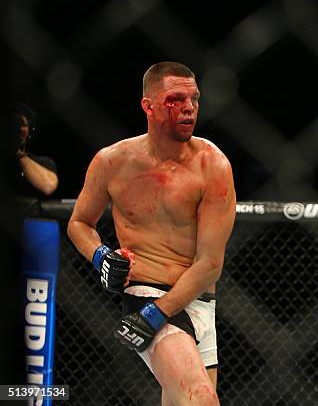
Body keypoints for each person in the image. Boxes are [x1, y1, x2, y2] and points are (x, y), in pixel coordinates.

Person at [68, 62, 236, 406]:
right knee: (201, 399)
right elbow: (79, 223)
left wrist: (157, 315)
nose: (189, 107)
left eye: (194, 98)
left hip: (199, 302)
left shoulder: (212, 165)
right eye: (175, 99)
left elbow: (209, 263)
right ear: (148, 106)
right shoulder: (112, 162)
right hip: (148, 292)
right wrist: (101, 257)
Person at [14, 103, 58, 198]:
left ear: (30, 129)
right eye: (15, 124)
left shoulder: (44, 163)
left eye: (23, 125)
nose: (19, 129)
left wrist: (19, 155)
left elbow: (48, 186)